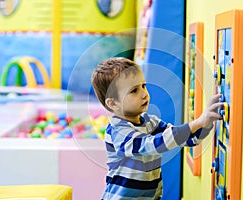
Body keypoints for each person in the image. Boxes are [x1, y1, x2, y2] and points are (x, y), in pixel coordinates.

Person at [91, 57, 223, 200]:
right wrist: (197, 122)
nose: (144, 94)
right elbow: (150, 145)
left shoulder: (150, 122)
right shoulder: (117, 130)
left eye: (143, 86)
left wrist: (207, 122)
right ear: (113, 104)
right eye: (134, 91)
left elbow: (187, 139)